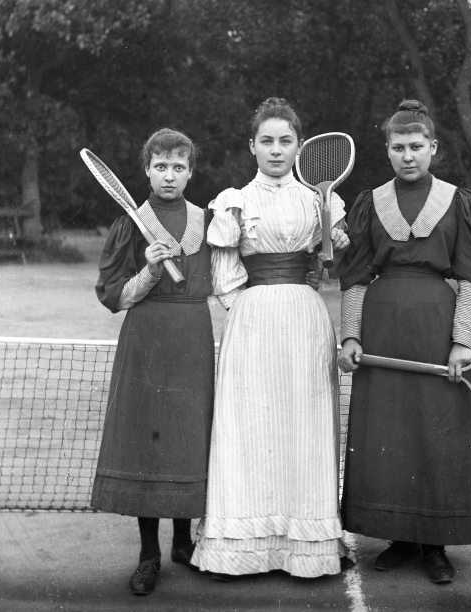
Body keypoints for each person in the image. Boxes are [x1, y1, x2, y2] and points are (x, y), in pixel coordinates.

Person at [191, 97, 351, 579]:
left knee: (305, 423)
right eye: (267, 141)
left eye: (285, 141)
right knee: (248, 427)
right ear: (252, 146)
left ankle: (308, 545)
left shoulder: (319, 200)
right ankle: (241, 548)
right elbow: (223, 270)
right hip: (253, 321)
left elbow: (331, 271)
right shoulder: (233, 200)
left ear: (299, 147)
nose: (276, 150)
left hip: (305, 320)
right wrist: (245, 307)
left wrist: (333, 248)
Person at [336, 99, 471, 585]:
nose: (408, 155)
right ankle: (398, 537)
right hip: (382, 330)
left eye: (417, 147)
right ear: (387, 150)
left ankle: (435, 545)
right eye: (399, 147)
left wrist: (461, 343)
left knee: (436, 430)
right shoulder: (369, 202)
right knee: (389, 433)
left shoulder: (458, 200)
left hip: (436, 331)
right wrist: (351, 334)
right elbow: (356, 277)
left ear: (433, 149)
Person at [91, 128, 214, 596]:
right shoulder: (130, 224)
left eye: (178, 167)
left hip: (193, 339)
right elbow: (117, 298)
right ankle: (149, 554)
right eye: (160, 166)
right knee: (149, 441)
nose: (169, 175)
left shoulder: (209, 219)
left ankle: (184, 543)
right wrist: (149, 269)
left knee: (186, 436)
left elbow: (227, 278)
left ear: (190, 171)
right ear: (146, 170)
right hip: (146, 340)